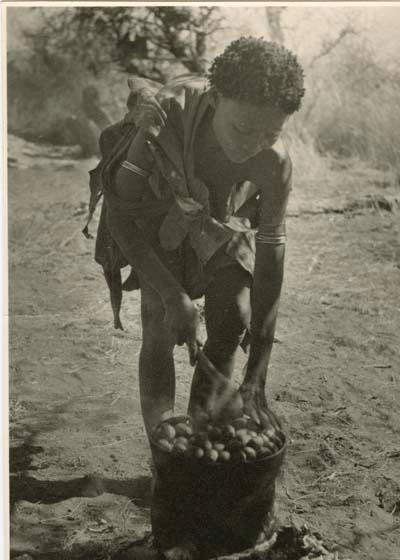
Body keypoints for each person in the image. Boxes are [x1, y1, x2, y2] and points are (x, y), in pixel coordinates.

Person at [95, 36, 305, 433]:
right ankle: (163, 451)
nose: (253, 146)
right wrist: (173, 294)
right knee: (159, 320)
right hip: (156, 214)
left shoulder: (274, 164)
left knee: (233, 316)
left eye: (270, 135)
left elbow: (270, 261)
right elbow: (121, 216)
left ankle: (200, 437)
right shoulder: (163, 117)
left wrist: (257, 371)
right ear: (214, 99)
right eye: (242, 129)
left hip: (222, 221)